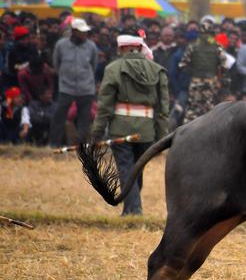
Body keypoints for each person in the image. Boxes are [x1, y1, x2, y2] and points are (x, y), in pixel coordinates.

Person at [90, 34, 170, 216]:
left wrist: (97, 133)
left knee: (126, 170)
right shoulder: (158, 70)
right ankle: (130, 208)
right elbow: (163, 109)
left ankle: (134, 210)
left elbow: (104, 106)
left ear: (123, 48)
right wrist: (161, 137)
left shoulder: (113, 69)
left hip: (121, 128)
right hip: (147, 131)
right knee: (137, 169)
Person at [51, 18, 98, 147]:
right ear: (74, 31)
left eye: (85, 32)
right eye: (81, 32)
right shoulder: (61, 45)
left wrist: (87, 80)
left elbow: (93, 66)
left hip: (86, 88)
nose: (84, 34)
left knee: (84, 119)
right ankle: (55, 143)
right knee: (59, 116)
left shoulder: (91, 46)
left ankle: (80, 146)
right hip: (66, 87)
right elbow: (56, 64)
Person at [179, 20, 228, 123]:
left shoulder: (192, 46)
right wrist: (219, 77)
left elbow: (182, 65)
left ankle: (189, 134)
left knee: (192, 111)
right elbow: (224, 66)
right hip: (211, 84)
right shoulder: (218, 47)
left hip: (196, 83)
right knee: (210, 112)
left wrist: (193, 70)